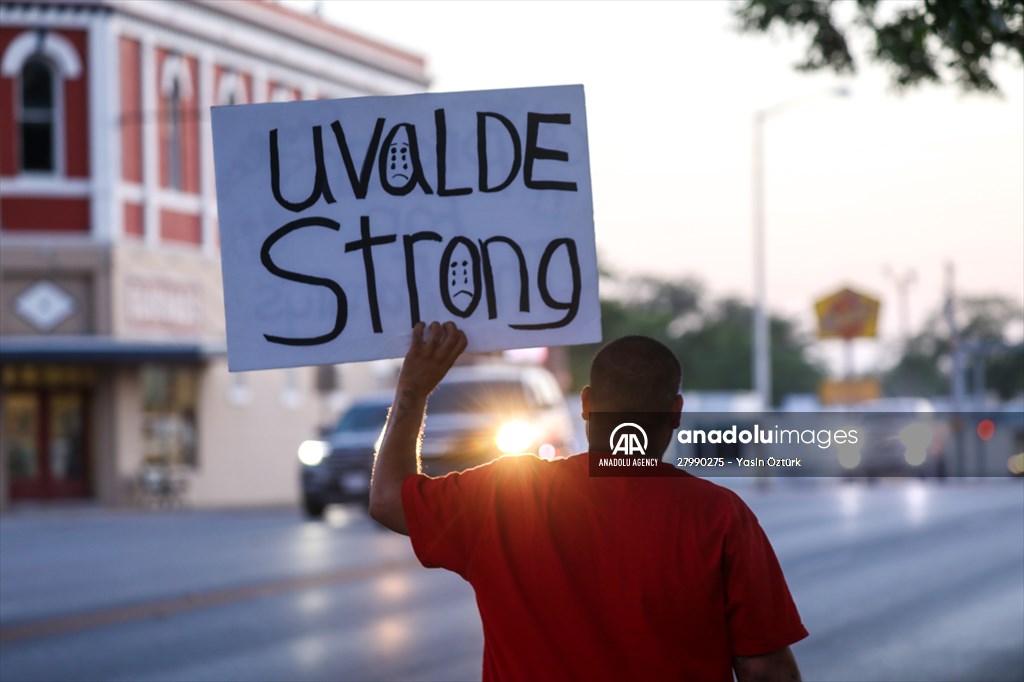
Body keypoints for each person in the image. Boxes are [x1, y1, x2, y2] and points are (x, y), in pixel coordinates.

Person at [370, 321, 807, 682]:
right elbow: (766, 670)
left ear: (585, 404)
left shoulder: (504, 495)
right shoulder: (720, 515)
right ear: (675, 412)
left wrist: (415, 387)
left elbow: (388, 498)